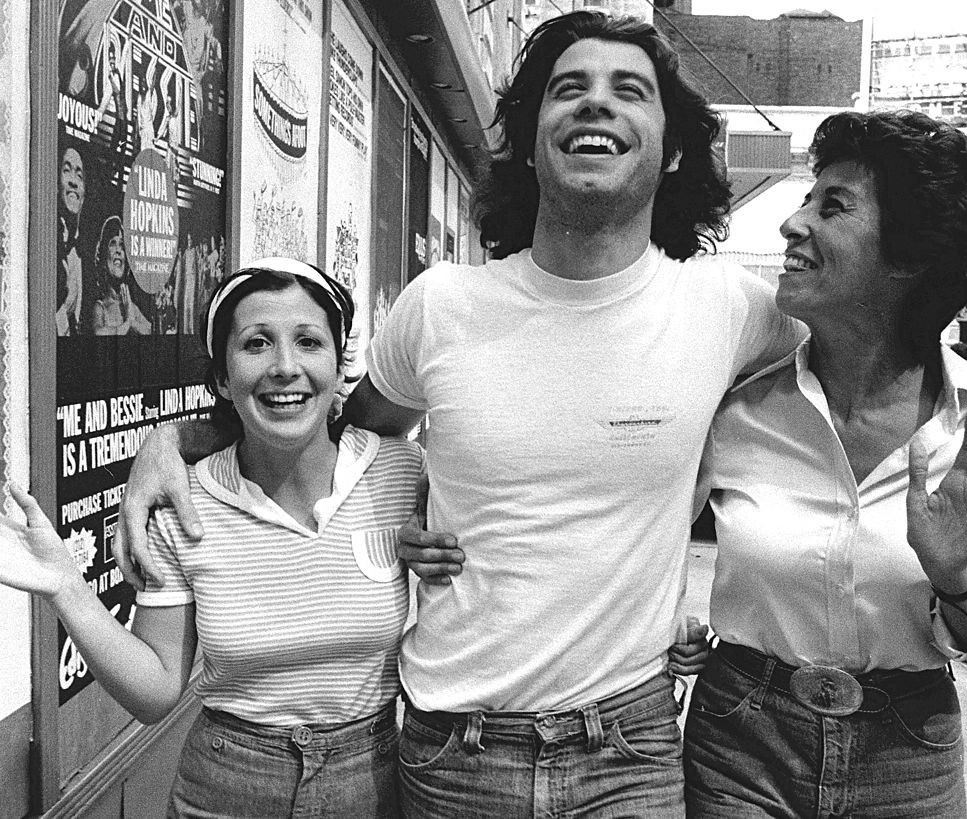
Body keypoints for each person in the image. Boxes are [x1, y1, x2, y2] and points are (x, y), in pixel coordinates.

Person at [114, 12, 804, 815]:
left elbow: (861, 360)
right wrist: (176, 437)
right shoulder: (441, 307)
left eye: (630, 91)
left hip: (630, 747)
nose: (595, 105)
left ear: (673, 146)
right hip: (453, 752)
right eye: (567, 89)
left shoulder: (729, 308)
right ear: (528, 138)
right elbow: (332, 433)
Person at [684, 110, 967, 817]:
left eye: (831, 205)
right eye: (808, 197)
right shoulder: (736, 404)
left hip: (909, 750)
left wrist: (956, 578)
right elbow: (635, 529)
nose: (792, 224)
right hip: (742, 739)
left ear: (907, 256)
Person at [0, 258, 422, 816]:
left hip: (375, 780)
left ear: (340, 364)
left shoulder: (400, 474)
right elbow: (155, 689)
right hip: (228, 785)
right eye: (256, 344)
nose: (284, 367)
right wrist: (64, 587)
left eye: (308, 342)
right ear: (222, 377)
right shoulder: (182, 503)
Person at [89, 215, 152, 335]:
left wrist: (133, 322)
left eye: (122, 245)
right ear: (103, 256)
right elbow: (98, 332)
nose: (118, 250)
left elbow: (152, 331)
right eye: (112, 243)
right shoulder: (100, 307)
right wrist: (128, 323)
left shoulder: (131, 307)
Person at [57, 145, 85, 336]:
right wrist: (65, 308)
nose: (74, 182)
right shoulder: (51, 242)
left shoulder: (78, 255)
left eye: (79, 175)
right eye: (67, 171)